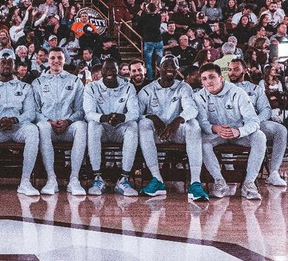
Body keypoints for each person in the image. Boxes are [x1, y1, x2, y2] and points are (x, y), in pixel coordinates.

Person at [137, 56, 207, 200]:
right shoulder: (147, 90)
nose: (170, 68)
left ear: (177, 70)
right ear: (158, 68)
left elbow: (191, 109)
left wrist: (178, 120)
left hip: (177, 132)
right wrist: (152, 117)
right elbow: (135, 114)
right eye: (166, 65)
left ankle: (195, 183)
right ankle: (157, 180)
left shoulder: (184, 87)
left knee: (193, 125)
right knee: (143, 124)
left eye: (173, 66)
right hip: (158, 134)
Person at [195, 63, 266, 200]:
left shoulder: (237, 93)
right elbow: (202, 122)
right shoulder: (200, 96)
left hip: (238, 132)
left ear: (221, 78)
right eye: (204, 79)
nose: (208, 82)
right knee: (202, 142)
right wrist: (214, 128)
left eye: (212, 77)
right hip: (216, 134)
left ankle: (249, 184)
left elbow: (254, 121)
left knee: (260, 137)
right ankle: (220, 182)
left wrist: (239, 131)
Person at [0, 52, 40, 196]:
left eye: (9, 62)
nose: (6, 65)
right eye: (3, 62)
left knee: (33, 130)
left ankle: (25, 182)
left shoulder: (25, 87)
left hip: (18, 128)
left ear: (14, 66)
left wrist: (15, 120)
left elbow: (30, 113)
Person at [32, 47, 87, 195]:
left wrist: (69, 121)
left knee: (82, 127)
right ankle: (51, 179)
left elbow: (81, 110)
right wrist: (48, 121)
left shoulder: (75, 81)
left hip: (68, 126)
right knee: (42, 127)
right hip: (48, 127)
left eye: (59, 58)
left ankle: (74, 179)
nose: (56, 61)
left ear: (65, 60)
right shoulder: (38, 82)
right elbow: (34, 111)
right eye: (53, 58)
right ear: (47, 60)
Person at [83, 59, 141, 196]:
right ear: (101, 71)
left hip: (119, 127)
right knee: (92, 125)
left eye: (113, 69)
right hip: (102, 127)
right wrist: (105, 118)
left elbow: (134, 112)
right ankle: (97, 179)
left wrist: (122, 117)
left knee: (133, 126)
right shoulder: (91, 87)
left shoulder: (128, 87)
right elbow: (89, 113)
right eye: (106, 69)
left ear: (118, 71)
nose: (110, 72)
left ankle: (124, 180)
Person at [227, 59, 288, 187]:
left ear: (244, 70)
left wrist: (254, 123)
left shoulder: (255, 88)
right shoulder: (224, 88)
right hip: (233, 126)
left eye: (236, 69)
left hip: (255, 123)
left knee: (280, 130)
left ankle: (273, 173)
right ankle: (229, 171)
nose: (232, 73)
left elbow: (266, 109)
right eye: (230, 70)